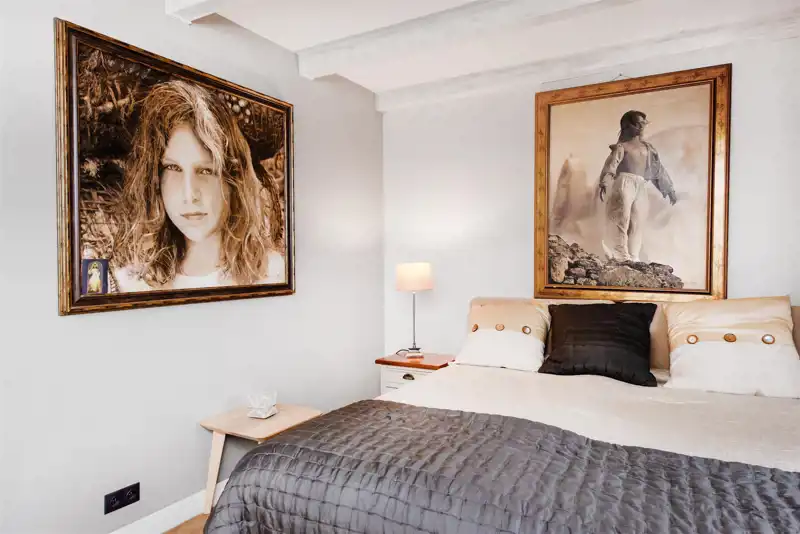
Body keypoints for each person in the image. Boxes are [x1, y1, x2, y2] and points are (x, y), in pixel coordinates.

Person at [112, 80, 285, 292]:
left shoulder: (273, 274)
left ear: (234, 180)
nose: (189, 194)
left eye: (206, 171)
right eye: (173, 168)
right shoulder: (132, 286)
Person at [598, 110, 677, 262]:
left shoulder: (648, 148)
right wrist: (605, 182)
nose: (641, 127)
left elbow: (657, 169)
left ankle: (634, 256)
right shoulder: (622, 147)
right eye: (637, 124)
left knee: (637, 220)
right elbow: (611, 165)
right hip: (623, 182)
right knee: (622, 218)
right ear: (628, 126)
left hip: (640, 184)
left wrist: (668, 188)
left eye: (643, 124)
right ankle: (620, 255)